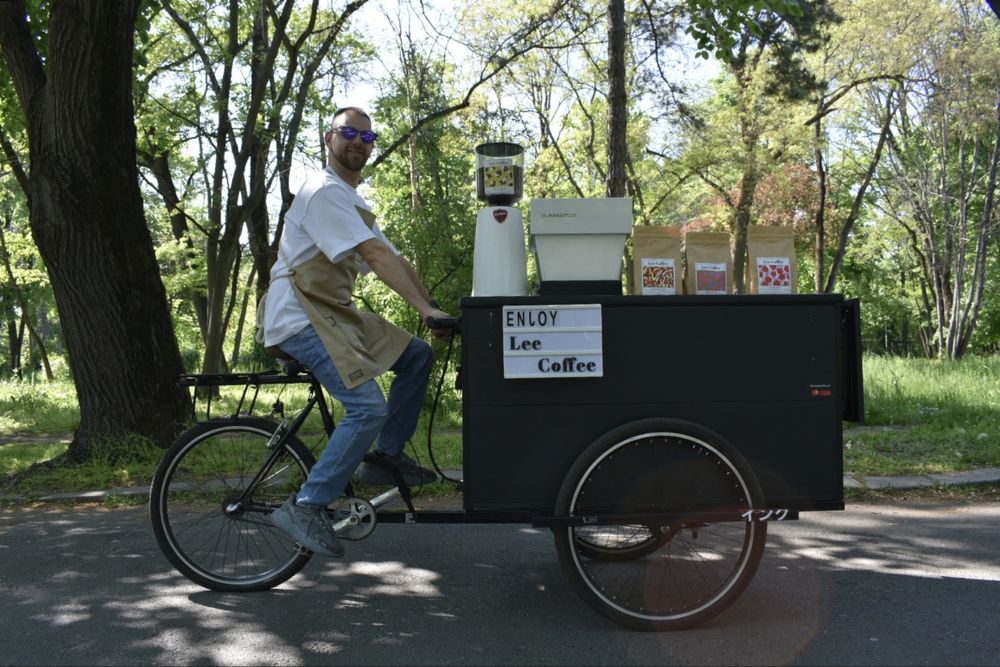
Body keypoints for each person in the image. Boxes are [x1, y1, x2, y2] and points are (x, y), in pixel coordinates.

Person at [263, 106, 453, 558]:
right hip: (302, 316)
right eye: (349, 133)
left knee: (416, 355)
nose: (358, 142)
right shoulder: (322, 191)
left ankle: (384, 457)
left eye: (367, 137)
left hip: (333, 312)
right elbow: (374, 256)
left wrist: (433, 308)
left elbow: (395, 259)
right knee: (367, 409)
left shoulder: (353, 202)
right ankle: (306, 504)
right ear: (329, 138)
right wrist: (423, 308)